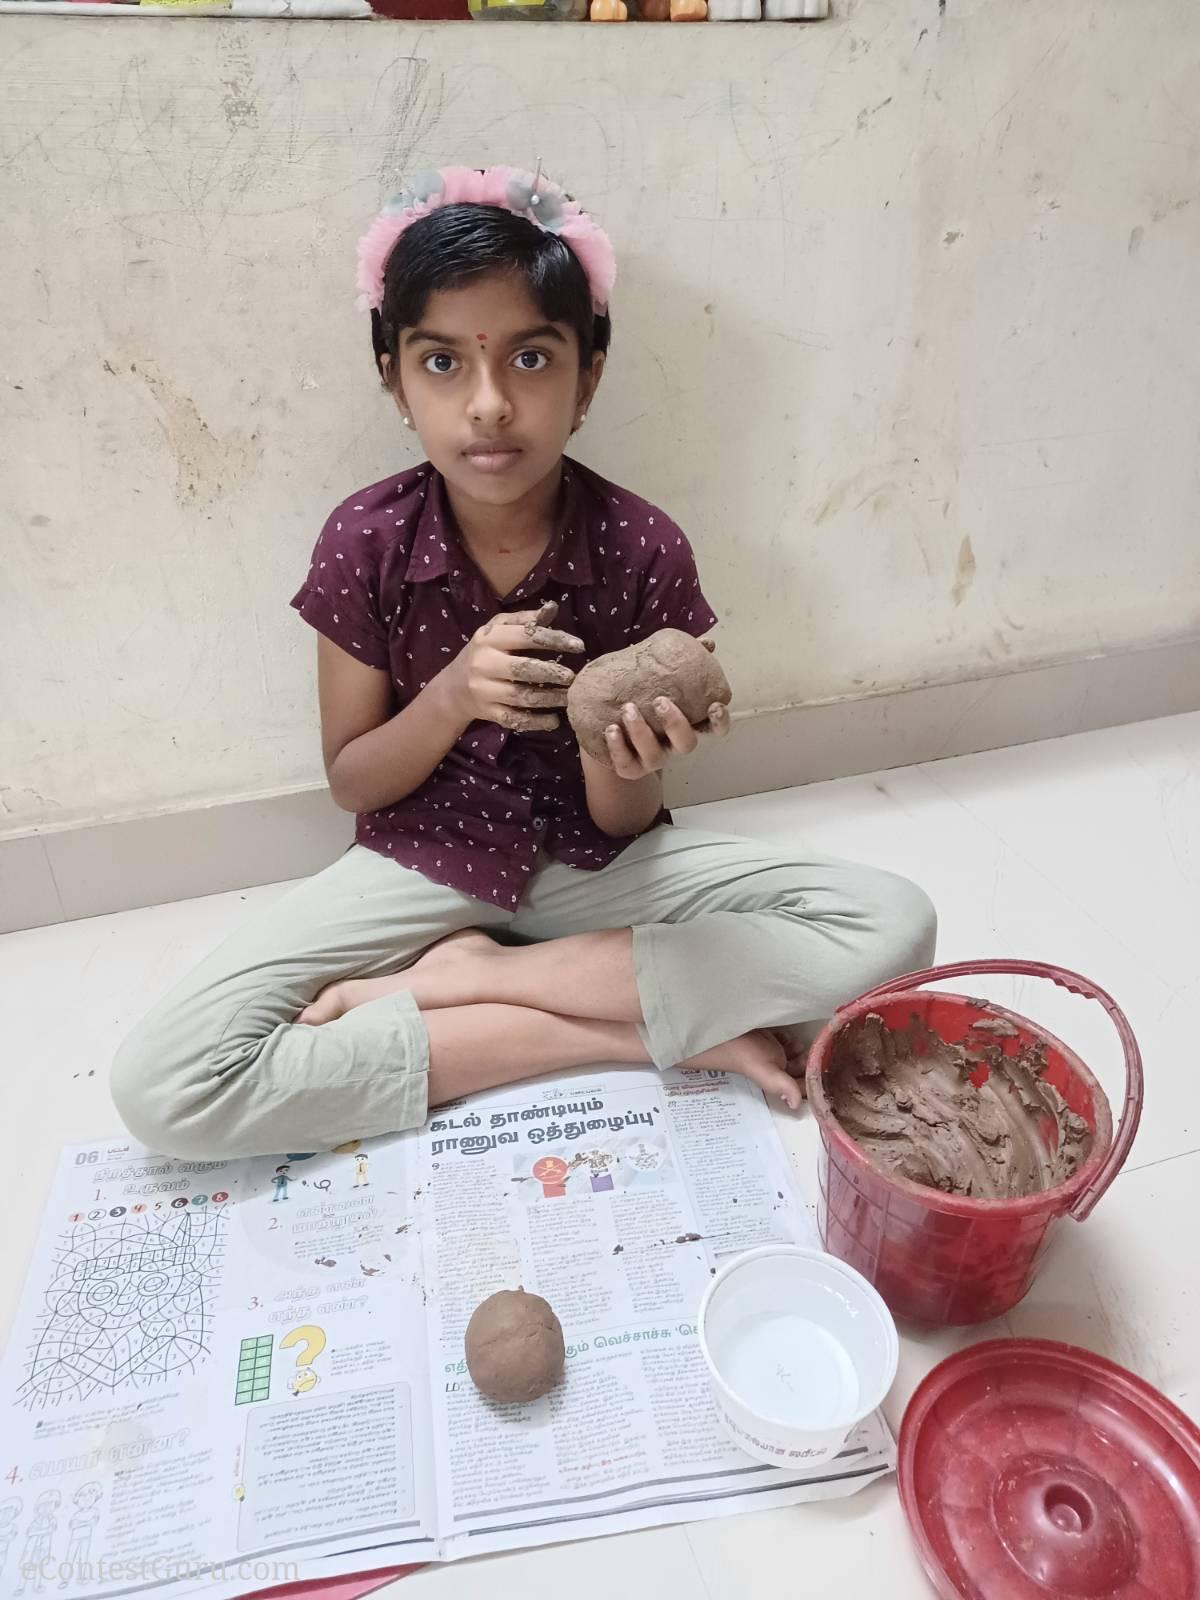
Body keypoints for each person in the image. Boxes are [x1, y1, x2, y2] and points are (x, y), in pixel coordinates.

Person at [111, 166, 935, 1161]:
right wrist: (454, 693)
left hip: (594, 870)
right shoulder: (363, 542)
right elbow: (352, 781)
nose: (491, 404)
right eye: (445, 363)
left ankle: (459, 982)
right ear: (392, 375)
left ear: (588, 376)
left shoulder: (642, 546)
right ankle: (642, 1032)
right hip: (420, 861)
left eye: (533, 359)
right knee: (165, 1087)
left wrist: (623, 759)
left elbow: (622, 828)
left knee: (895, 927)